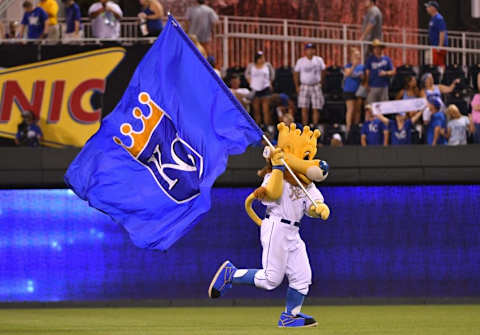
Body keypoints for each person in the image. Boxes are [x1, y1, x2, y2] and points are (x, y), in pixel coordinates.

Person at [208, 124, 330, 328]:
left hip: (293, 231)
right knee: (271, 279)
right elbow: (271, 193)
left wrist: (319, 209)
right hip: (276, 227)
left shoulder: (307, 184)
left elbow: (312, 204)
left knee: (303, 276)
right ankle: (231, 274)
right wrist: (279, 168)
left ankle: (290, 316)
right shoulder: (273, 176)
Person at [293, 43, 326, 127]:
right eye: (308, 49)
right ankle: (305, 127)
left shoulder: (319, 60)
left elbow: (323, 71)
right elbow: (296, 73)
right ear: (305, 51)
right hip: (304, 85)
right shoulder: (301, 61)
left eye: (312, 49)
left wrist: (321, 83)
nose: (310, 51)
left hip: (315, 85)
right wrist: (297, 86)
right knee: (304, 108)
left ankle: (315, 126)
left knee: (316, 108)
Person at [245, 51, 275, 134]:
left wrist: (270, 83)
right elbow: (247, 74)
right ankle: (257, 127)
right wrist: (250, 82)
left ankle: (267, 127)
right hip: (255, 90)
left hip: (265, 89)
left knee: (265, 109)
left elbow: (272, 75)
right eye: (260, 58)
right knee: (256, 110)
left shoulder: (267, 66)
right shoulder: (251, 66)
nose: (262, 60)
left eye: (263, 58)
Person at [365, 39, 395, 104]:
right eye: (375, 48)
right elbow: (367, 73)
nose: (377, 49)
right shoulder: (370, 60)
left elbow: (393, 71)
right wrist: (367, 84)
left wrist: (386, 73)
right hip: (373, 86)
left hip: (384, 86)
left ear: (381, 48)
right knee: (371, 105)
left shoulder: (387, 59)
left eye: (378, 48)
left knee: (384, 105)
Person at [343, 48, 365, 134]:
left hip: (358, 91)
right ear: (352, 57)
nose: (358, 57)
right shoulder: (348, 66)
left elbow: (364, 78)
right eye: (356, 55)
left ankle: (356, 127)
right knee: (350, 109)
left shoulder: (362, 67)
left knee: (358, 110)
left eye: (358, 55)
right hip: (349, 90)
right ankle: (348, 127)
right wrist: (354, 66)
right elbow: (347, 74)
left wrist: (362, 77)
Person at [425, 1, 448, 67]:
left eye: (428, 7)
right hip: (434, 45)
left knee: (438, 64)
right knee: (434, 64)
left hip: (438, 46)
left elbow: (442, 32)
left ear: (433, 8)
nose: (427, 9)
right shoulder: (433, 18)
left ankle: (440, 76)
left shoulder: (439, 18)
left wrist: (440, 46)